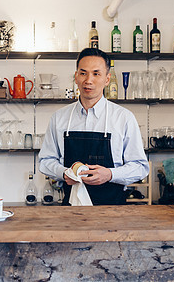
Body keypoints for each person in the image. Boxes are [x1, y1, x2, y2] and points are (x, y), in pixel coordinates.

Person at [39, 48, 149, 205]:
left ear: (107, 79)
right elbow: (45, 160)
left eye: (96, 74)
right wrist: (64, 173)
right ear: (76, 77)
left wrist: (110, 174)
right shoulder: (59, 118)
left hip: (113, 210)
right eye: (83, 73)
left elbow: (140, 167)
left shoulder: (123, 118)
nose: (88, 80)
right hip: (71, 209)